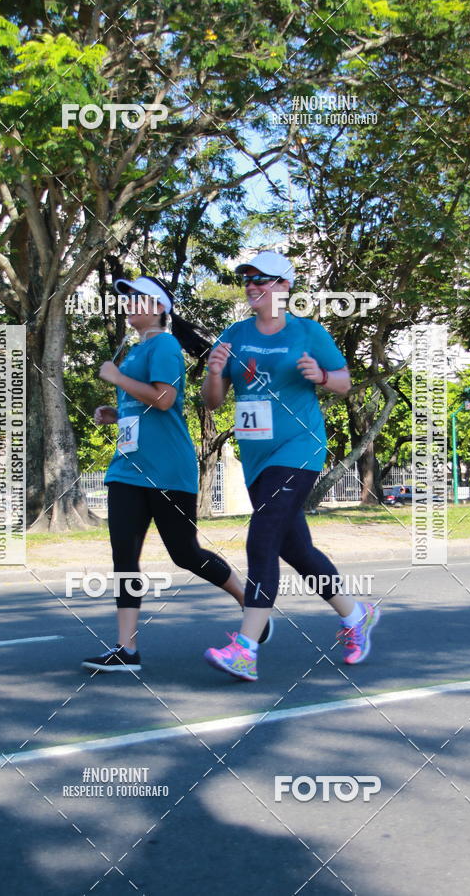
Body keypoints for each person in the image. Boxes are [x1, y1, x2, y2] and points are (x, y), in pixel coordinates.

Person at [201, 251, 380, 681]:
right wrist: (213, 371)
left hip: (300, 448)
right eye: (245, 278)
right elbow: (213, 401)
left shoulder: (308, 332)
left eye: (259, 278)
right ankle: (356, 614)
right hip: (257, 456)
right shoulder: (235, 334)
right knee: (295, 548)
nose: (250, 285)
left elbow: (344, 383)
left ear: (283, 286)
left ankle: (245, 649)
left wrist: (319, 376)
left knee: (261, 538)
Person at [82, 274, 272, 673]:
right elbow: (144, 405)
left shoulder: (165, 345)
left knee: (185, 553)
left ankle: (250, 602)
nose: (129, 304)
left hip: (167, 471)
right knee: (124, 559)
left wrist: (116, 379)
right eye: (127, 299)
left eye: (137, 298)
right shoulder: (135, 350)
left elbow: (165, 399)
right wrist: (115, 414)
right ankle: (125, 649)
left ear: (158, 308)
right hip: (127, 470)